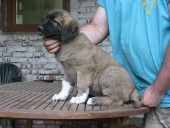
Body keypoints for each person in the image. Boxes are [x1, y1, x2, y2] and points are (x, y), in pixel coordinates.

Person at [43, 0, 170, 128]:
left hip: (164, 90)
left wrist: (158, 90)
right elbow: (97, 27)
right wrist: (64, 39)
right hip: (133, 87)